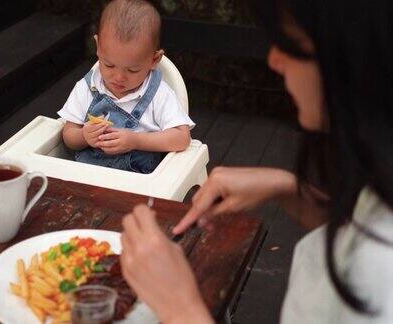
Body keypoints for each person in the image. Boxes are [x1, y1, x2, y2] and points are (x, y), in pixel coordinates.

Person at [120, 0, 393, 323]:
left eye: (292, 43)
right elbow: (359, 230)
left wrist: (181, 308)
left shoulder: (381, 272)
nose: (274, 60)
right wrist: (288, 189)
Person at [57, 0, 194, 174]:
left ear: (154, 60)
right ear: (98, 48)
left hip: (138, 184)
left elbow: (182, 138)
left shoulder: (159, 94)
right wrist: (84, 136)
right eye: (109, 65)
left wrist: (136, 140)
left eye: (132, 70)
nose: (119, 77)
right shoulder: (87, 87)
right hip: (88, 176)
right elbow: (68, 134)